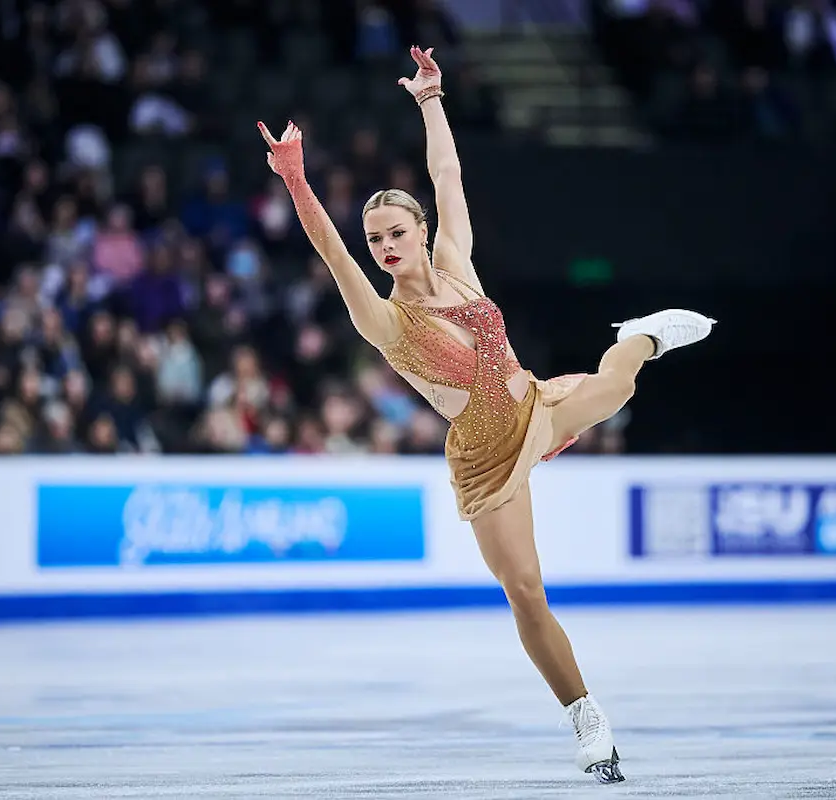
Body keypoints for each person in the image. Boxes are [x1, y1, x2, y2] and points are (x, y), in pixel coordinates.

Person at [257, 46, 715, 783]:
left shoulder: (459, 262)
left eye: (395, 233)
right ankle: (585, 718)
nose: (384, 248)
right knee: (526, 591)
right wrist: (298, 183)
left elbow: (446, 177)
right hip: (483, 453)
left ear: (416, 230)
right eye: (377, 239)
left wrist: (431, 100)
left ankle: (645, 334)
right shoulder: (384, 321)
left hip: (533, 401)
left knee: (620, 382)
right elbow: (332, 254)